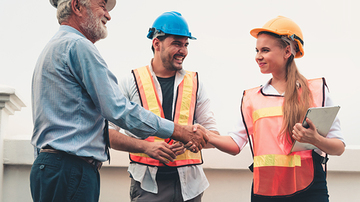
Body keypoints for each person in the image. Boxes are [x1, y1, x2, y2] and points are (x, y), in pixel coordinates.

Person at [30, 1, 208, 202]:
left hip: (53, 167)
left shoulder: (54, 46)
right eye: (102, 5)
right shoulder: (79, 46)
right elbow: (117, 109)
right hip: (71, 169)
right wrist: (177, 131)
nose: (108, 15)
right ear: (77, 6)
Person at [207, 16, 345, 202]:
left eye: (265, 50)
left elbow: (338, 147)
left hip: (310, 190)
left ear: (287, 50)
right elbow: (235, 144)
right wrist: (206, 135)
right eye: (256, 50)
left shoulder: (316, 91)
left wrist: (315, 139)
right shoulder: (252, 98)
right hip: (266, 191)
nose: (258, 56)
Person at [109, 11, 219, 202]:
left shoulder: (196, 83)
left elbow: (213, 136)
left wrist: (195, 140)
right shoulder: (130, 81)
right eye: (176, 43)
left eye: (186, 44)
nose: (183, 50)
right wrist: (146, 147)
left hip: (190, 189)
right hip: (147, 187)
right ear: (156, 43)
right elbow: (108, 133)